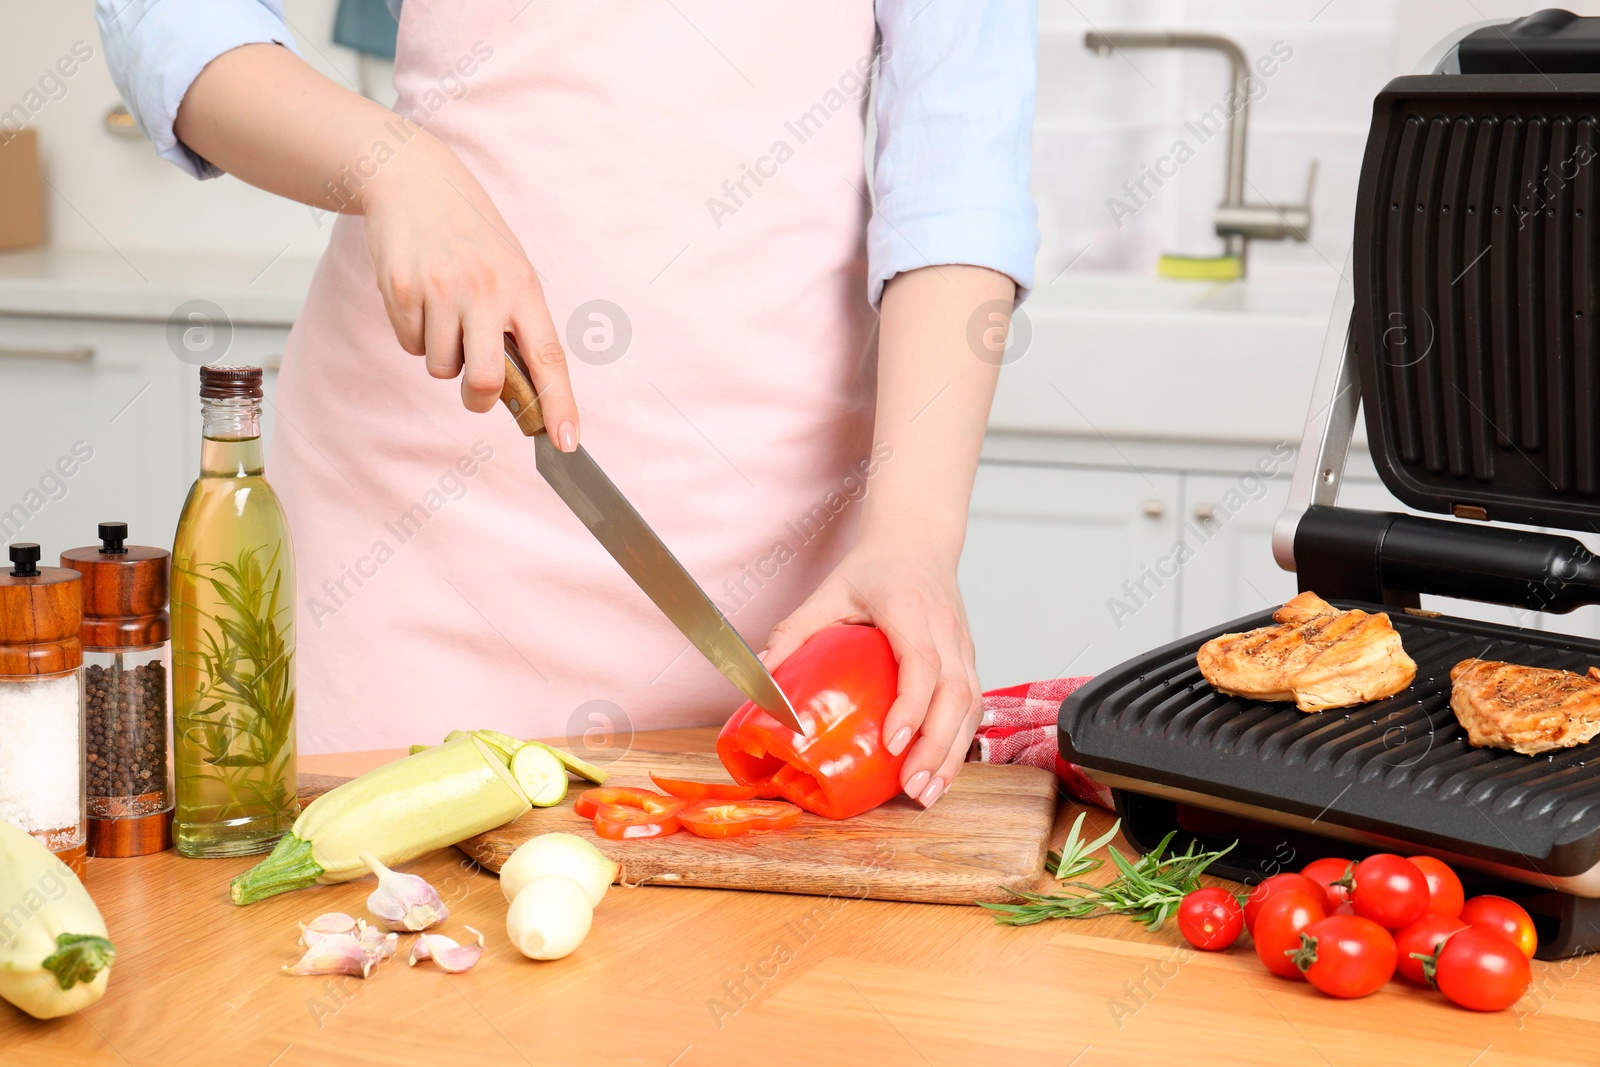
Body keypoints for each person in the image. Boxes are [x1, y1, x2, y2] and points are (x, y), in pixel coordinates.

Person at [98, 0, 1038, 810]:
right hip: (402, 555)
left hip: (776, 612)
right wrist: (391, 163)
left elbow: (957, 167)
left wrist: (911, 539)